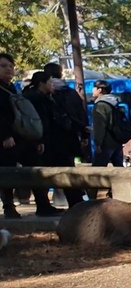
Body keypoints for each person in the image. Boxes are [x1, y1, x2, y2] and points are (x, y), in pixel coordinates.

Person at [43, 62, 88, 206]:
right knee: (68, 169)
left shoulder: (46, 93)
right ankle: (76, 202)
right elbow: (81, 115)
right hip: (69, 138)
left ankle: (54, 200)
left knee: (47, 171)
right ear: (60, 74)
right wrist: (84, 135)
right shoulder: (70, 93)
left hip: (49, 139)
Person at [21, 71, 65, 216]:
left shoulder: (32, 95)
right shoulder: (36, 98)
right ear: (42, 83)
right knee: (39, 175)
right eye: (50, 82)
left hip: (38, 140)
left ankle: (44, 205)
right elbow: (38, 122)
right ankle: (43, 206)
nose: (52, 85)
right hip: (37, 141)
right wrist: (39, 140)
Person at [0, 53, 20, 218]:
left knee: (11, 170)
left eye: (10, 66)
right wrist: (5, 135)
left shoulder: (12, 88)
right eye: (3, 66)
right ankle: (8, 205)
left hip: (15, 137)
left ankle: (9, 203)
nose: (8, 69)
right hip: (5, 138)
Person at [91, 80, 125, 169]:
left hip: (105, 143)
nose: (92, 90)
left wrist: (98, 143)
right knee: (119, 168)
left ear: (100, 90)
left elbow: (100, 126)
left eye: (94, 88)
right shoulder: (114, 103)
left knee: (97, 171)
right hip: (116, 141)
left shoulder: (100, 105)